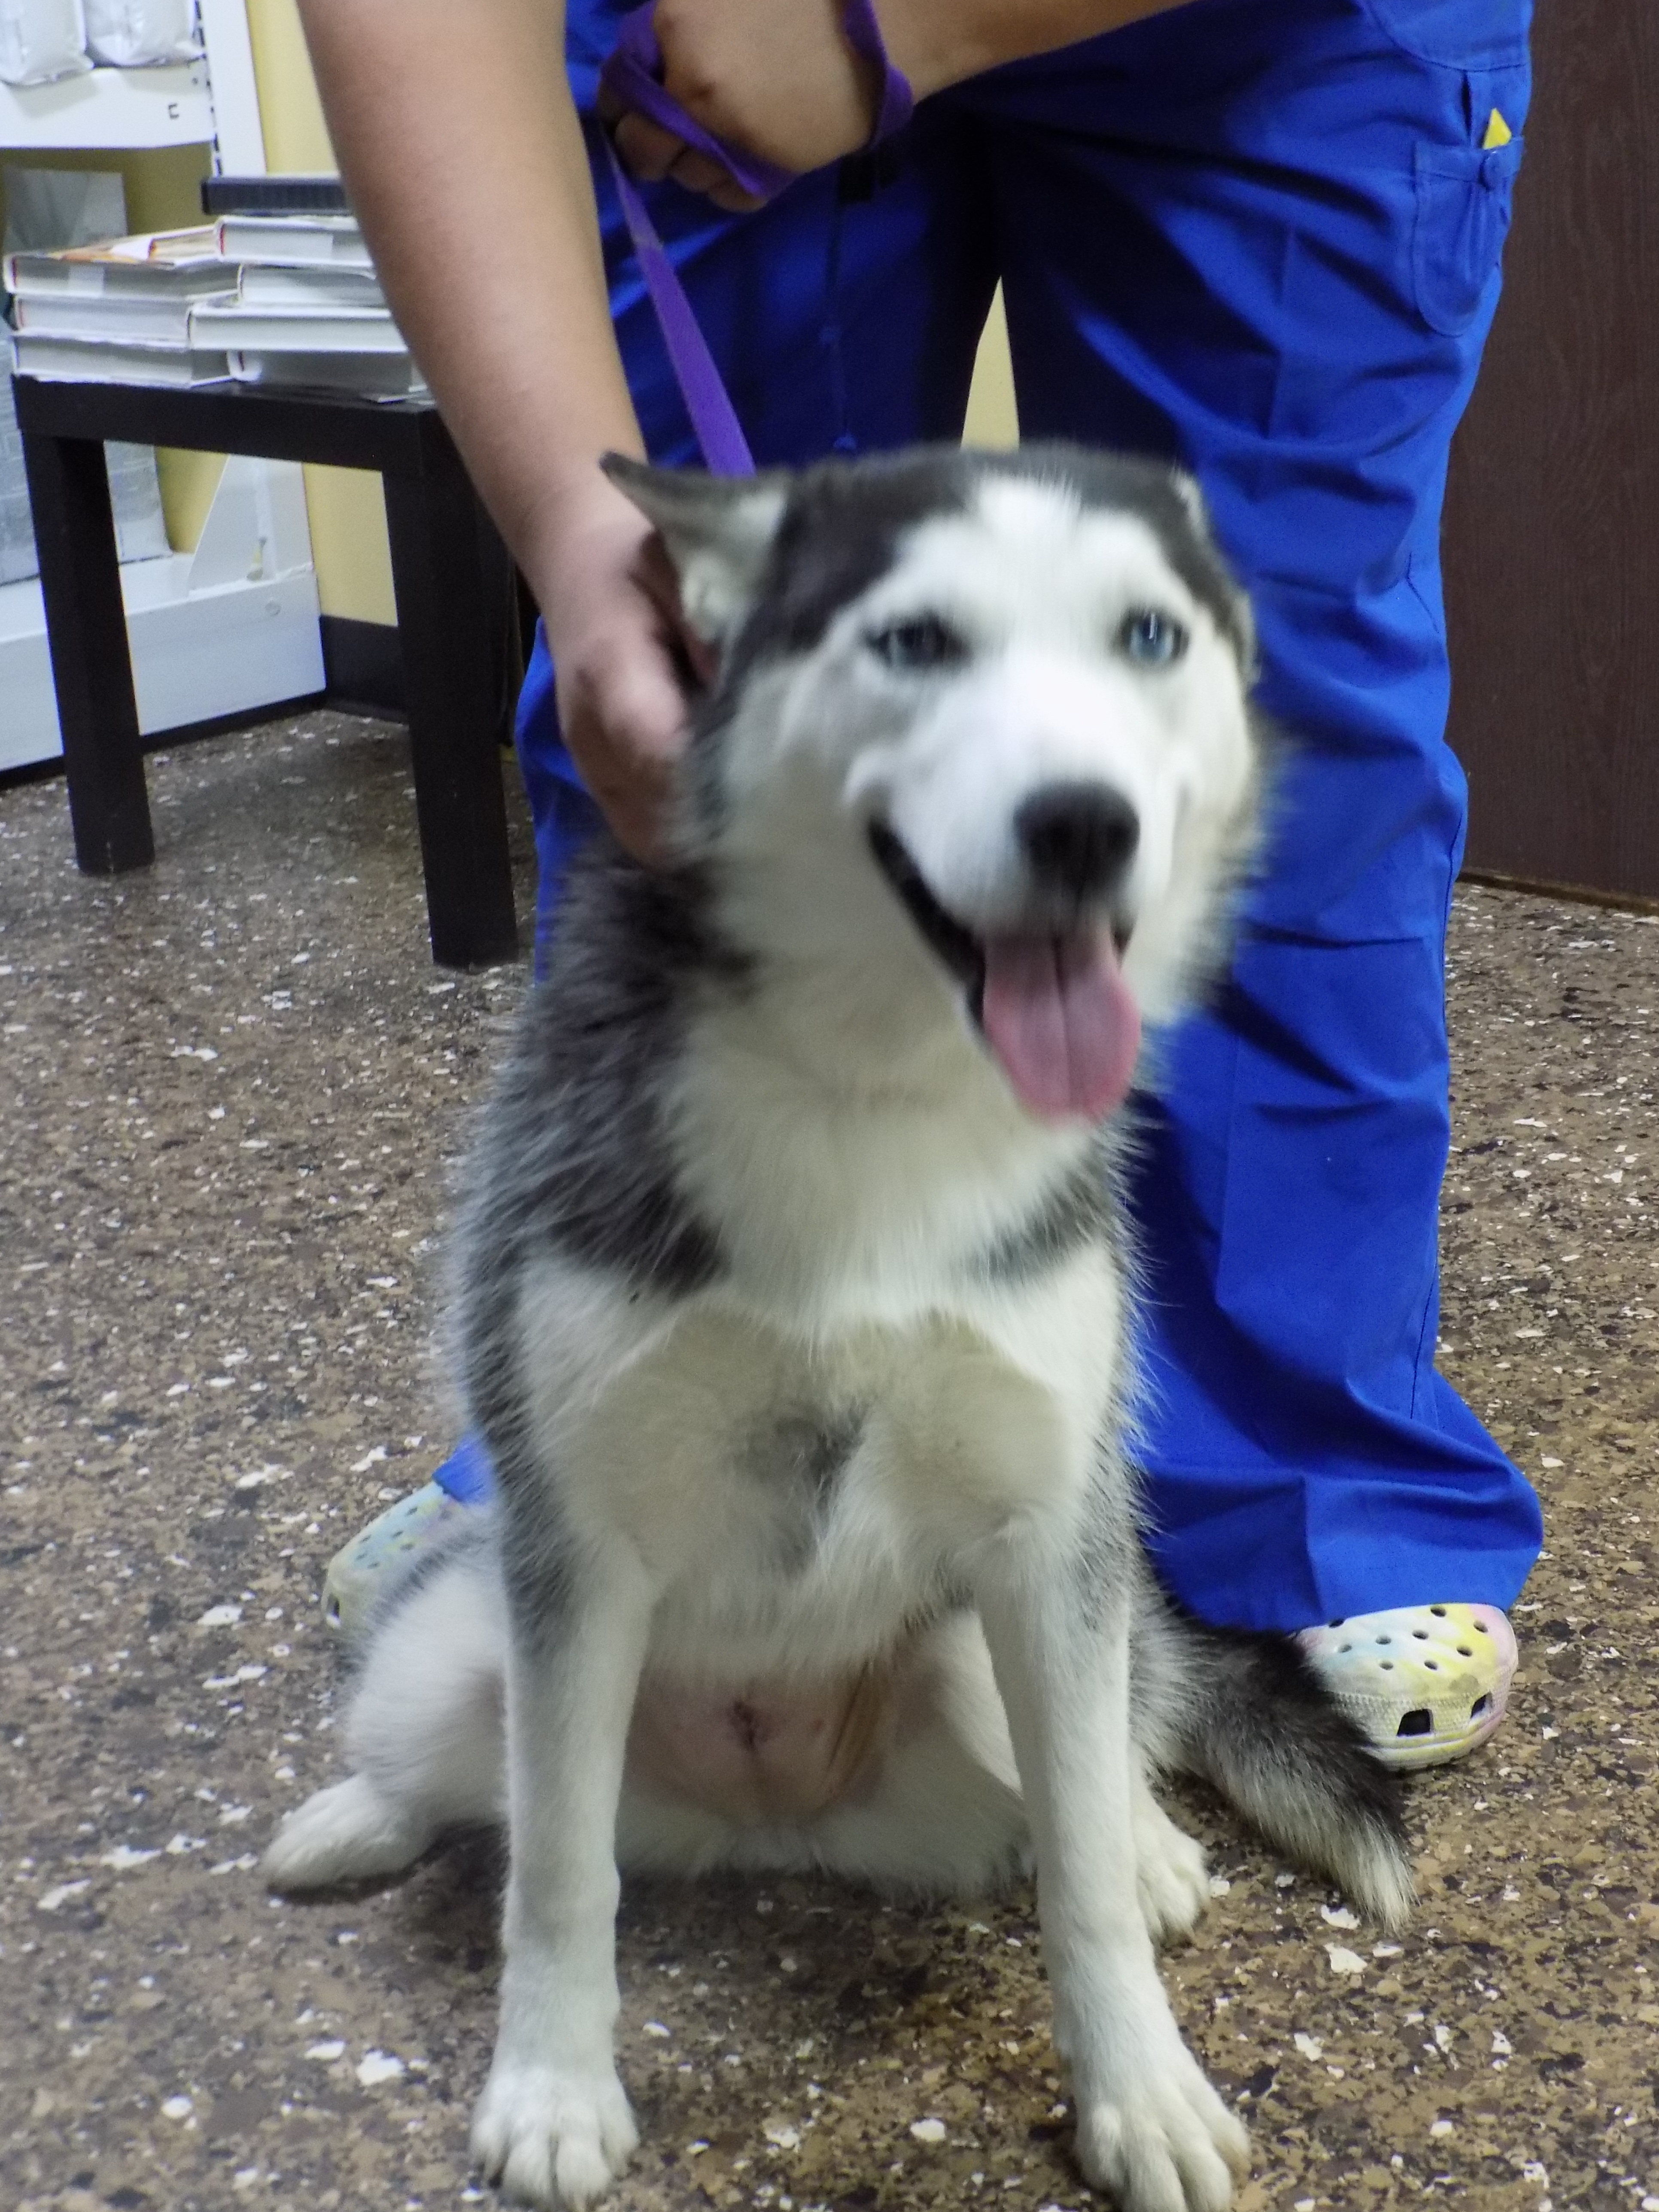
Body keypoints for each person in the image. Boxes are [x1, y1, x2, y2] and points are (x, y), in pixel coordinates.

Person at [301, 0, 1542, 1767]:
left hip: (1282, 36)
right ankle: (624, 1445)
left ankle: (1306, 1485)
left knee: (1274, 735)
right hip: (704, 35)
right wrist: (580, 559)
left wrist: (908, 29)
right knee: (685, 701)